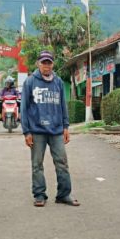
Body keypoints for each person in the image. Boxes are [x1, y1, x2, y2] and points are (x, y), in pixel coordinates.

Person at [21, 50, 80, 207]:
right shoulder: (30, 82)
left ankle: (64, 194)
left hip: (56, 130)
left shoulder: (58, 82)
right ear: (38, 64)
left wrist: (66, 127)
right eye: (43, 62)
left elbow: (63, 105)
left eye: (49, 62)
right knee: (37, 165)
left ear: (52, 64)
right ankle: (39, 195)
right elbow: (24, 108)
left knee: (62, 163)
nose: (46, 65)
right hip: (37, 131)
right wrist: (26, 131)